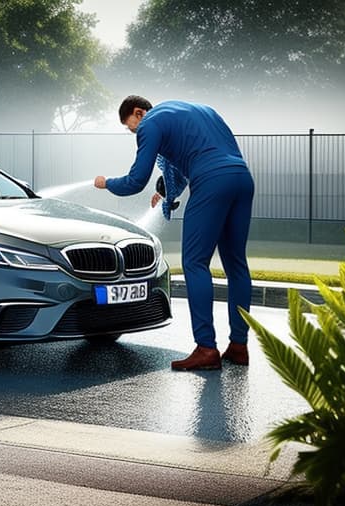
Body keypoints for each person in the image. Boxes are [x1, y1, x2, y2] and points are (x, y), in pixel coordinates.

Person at [94, 96, 254, 370]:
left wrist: (107, 183)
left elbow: (135, 181)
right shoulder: (202, 109)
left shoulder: (150, 124)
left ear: (138, 112)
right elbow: (187, 159)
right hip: (241, 178)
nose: (134, 133)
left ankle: (206, 349)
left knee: (194, 262)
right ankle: (239, 346)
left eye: (131, 127)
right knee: (237, 264)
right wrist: (166, 192)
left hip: (212, 181)